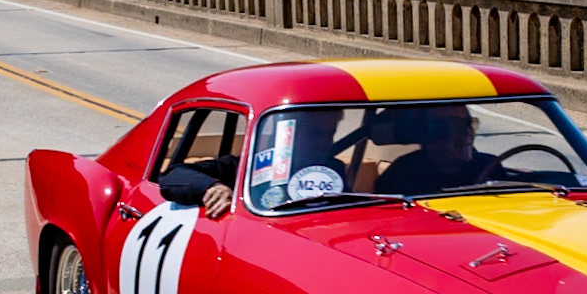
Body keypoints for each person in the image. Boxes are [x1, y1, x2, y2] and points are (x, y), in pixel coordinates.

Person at [158, 109, 342, 217]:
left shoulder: (335, 170)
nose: (322, 142)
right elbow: (172, 176)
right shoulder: (250, 166)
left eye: (329, 133)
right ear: (289, 133)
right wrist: (213, 187)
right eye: (314, 133)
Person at [374, 105, 496, 196]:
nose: (466, 132)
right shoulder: (400, 176)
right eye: (454, 126)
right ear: (427, 133)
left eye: (468, 123)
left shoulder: (489, 165)